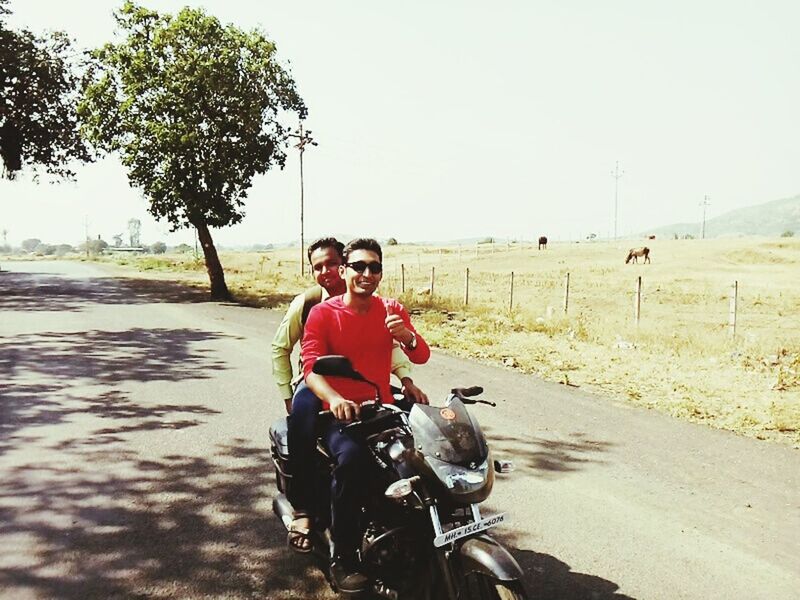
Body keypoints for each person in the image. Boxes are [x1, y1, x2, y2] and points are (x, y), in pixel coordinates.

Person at [270, 237, 428, 553]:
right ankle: (336, 545)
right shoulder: (317, 310)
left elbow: (416, 354)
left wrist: (407, 340)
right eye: (358, 266)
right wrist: (333, 398)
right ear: (346, 270)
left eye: (374, 267)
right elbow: (311, 366)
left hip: (380, 405)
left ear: (381, 273)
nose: (366, 273)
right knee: (346, 456)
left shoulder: (391, 309)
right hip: (335, 406)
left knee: (423, 452)